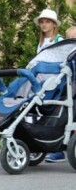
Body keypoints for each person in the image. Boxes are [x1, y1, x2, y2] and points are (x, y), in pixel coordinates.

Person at [35, 9, 65, 162]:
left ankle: (58, 150)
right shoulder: (40, 43)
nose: (43, 24)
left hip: (54, 84)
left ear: (54, 24)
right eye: (41, 21)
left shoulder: (59, 41)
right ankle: (39, 144)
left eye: (47, 21)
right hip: (40, 84)